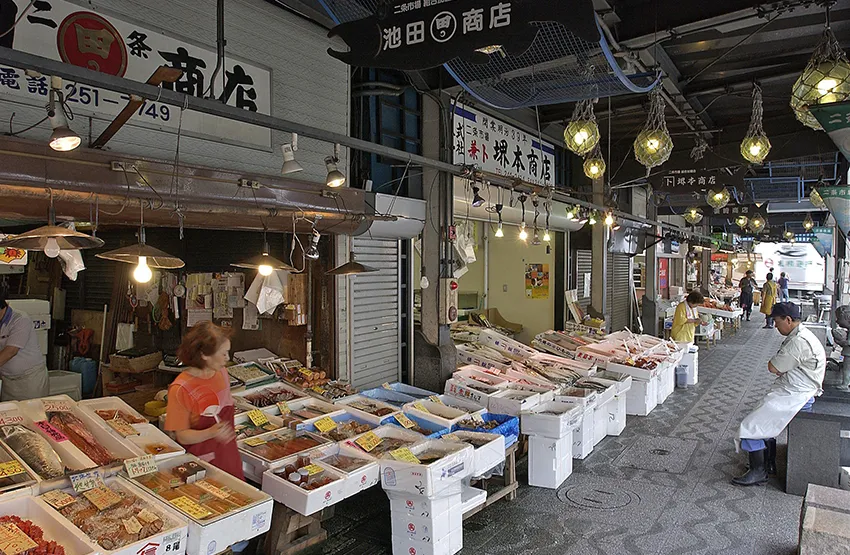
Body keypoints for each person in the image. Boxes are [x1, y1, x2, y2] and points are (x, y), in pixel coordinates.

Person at [733, 303, 826, 486]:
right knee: (763, 417)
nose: (775, 325)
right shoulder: (801, 334)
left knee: (751, 425)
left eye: (776, 321)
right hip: (794, 389)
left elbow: (773, 367)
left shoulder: (799, 342)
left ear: (788, 320)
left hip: (797, 395)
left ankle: (758, 471)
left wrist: (779, 367)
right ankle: (768, 464)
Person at [165, 321, 243, 479]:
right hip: (201, 463)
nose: (227, 358)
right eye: (223, 353)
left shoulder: (222, 374)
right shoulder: (180, 388)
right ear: (204, 355)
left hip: (228, 456)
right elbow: (182, 436)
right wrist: (211, 432)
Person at [0, 291, 49, 401]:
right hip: (8, 382)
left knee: (34, 416)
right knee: (11, 415)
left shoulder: (20, 319)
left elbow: (10, 351)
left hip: (30, 381)